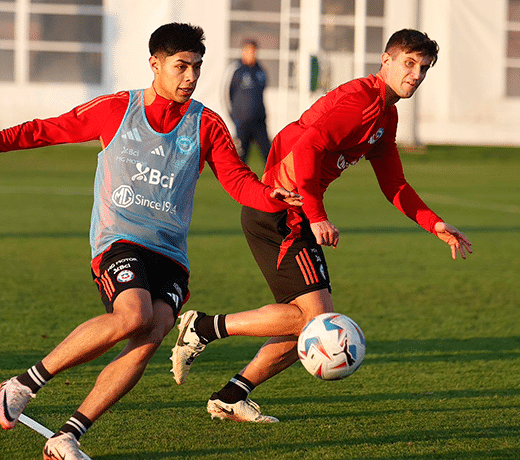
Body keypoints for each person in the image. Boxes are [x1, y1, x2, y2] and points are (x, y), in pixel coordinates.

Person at [0, 23, 301, 460]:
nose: (190, 77)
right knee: (132, 315)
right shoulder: (119, 109)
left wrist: (270, 196)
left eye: (197, 67)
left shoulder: (206, 124)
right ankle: (25, 384)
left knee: (152, 333)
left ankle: (67, 436)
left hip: (171, 255)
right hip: (119, 239)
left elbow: (238, 181)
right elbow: (43, 130)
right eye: (181, 67)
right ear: (154, 65)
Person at [170, 29, 474, 423]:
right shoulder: (361, 100)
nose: (416, 74)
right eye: (409, 63)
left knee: (308, 324)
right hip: (282, 214)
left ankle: (232, 395)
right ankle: (205, 327)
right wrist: (316, 215)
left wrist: (434, 224)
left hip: (287, 213)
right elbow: (309, 145)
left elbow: (394, 183)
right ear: (386, 60)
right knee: (315, 322)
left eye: (424, 68)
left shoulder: (386, 113)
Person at [226, 39, 271, 167]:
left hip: (259, 122)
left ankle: (272, 185)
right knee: (240, 160)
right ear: (243, 52)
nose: (252, 54)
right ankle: (240, 186)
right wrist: (234, 118)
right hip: (242, 122)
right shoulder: (235, 70)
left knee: (269, 156)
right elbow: (225, 94)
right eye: (249, 51)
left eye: (254, 51)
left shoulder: (260, 71)